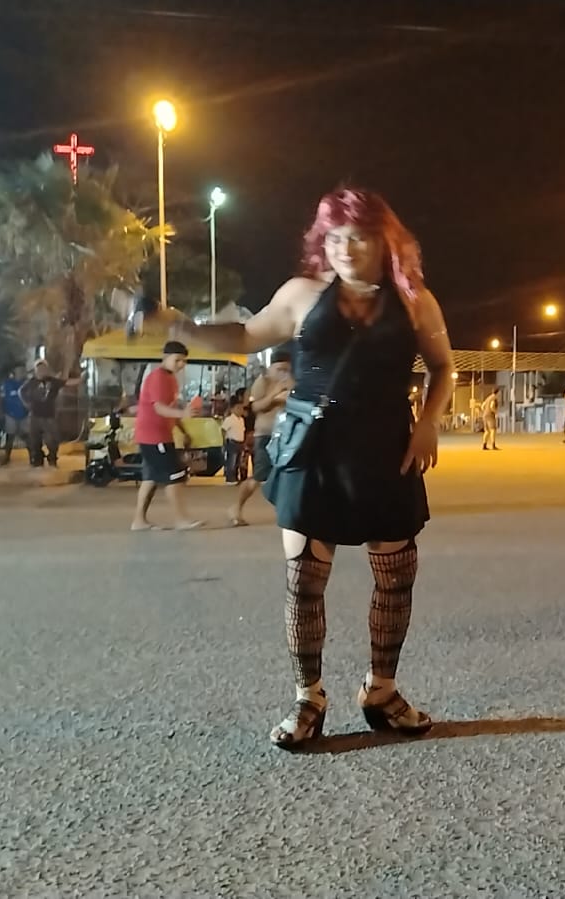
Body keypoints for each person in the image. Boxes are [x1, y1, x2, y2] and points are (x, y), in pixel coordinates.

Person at [165, 188, 453, 749]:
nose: (346, 248)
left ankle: (381, 690)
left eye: (359, 237)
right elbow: (246, 335)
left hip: (387, 448)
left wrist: (428, 423)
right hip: (313, 448)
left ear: (384, 241)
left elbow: (443, 367)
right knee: (304, 581)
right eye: (335, 237)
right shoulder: (302, 294)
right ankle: (308, 697)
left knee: (395, 577)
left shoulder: (415, 300)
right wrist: (184, 326)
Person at [131, 341, 203, 532]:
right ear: (165, 357)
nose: (181, 364)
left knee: (151, 478)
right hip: (154, 436)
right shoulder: (158, 378)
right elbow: (159, 408)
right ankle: (181, 519)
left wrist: (183, 430)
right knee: (175, 475)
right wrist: (183, 414)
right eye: (177, 360)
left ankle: (139, 521)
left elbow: (170, 409)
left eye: (184, 361)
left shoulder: (170, 379)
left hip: (158, 435)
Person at [229, 351, 295, 527]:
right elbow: (256, 407)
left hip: (286, 433)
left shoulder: (292, 382)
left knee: (289, 474)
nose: (283, 373)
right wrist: (274, 394)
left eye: (287, 370)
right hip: (265, 434)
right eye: (280, 369)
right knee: (259, 476)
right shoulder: (263, 382)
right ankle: (236, 508)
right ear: (271, 368)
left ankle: (289, 513)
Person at [20, 360, 71, 468]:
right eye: (39, 369)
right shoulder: (31, 382)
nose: (41, 371)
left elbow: (66, 382)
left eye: (43, 368)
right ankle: (37, 460)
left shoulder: (52, 381)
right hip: (35, 415)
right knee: (34, 440)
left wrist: (81, 378)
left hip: (49, 416)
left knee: (52, 440)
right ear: (35, 370)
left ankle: (52, 458)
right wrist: (26, 403)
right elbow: (21, 391)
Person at [0, 364, 30, 466]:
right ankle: (7, 456)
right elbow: (1, 399)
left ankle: (33, 456)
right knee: (10, 436)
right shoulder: (7, 384)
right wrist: (1, 412)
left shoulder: (27, 384)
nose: (21, 373)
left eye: (23, 371)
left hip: (24, 414)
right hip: (10, 414)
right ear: (14, 372)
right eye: (19, 370)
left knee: (27, 436)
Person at [222, 394, 248, 485]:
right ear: (232, 409)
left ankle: (235, 477)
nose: (240, 410)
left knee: (238, 461)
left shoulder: (242, 420)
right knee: (231, 461)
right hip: (232, 442)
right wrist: (223, 441)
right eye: (238, 408)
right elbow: (223, 430)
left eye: (241, 408)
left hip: (240, 442)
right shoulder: (229, 419)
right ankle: (230, 478)